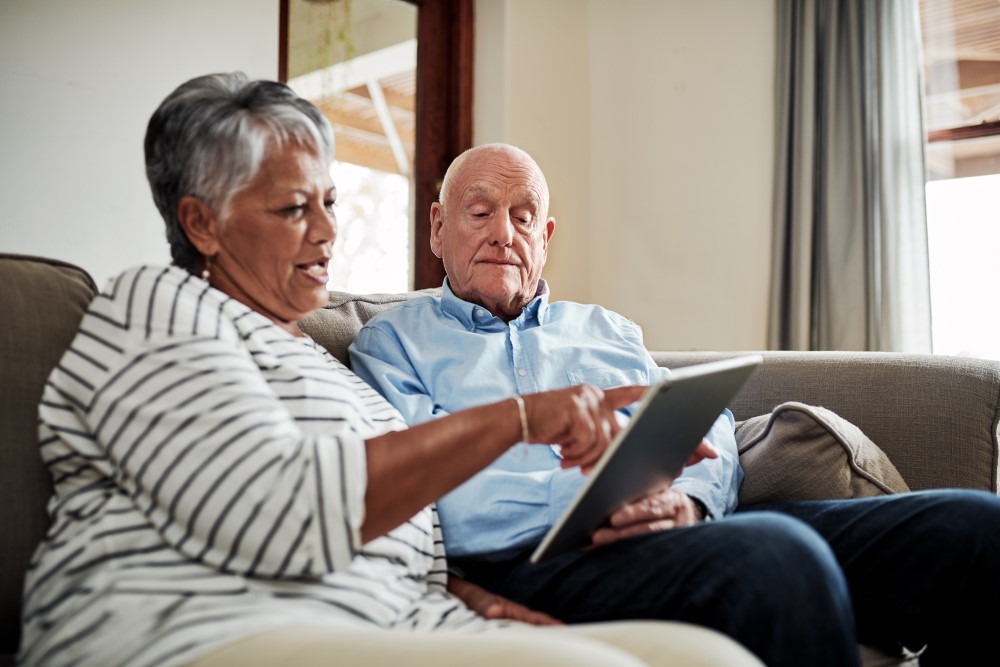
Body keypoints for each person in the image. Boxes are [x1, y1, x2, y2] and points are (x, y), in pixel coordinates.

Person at [15, 75, 764, 667]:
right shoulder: (160, 308)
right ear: (201, 223)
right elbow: (283, 515)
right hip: (194, 632)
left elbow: (409, 527)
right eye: (293, 208)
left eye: (332, 202)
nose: (331, 231)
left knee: (708, 656)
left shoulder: (327, 368)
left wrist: (456, 588)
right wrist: (524, 417)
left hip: (401, 621)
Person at [348, 142, 1000, 667]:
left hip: (684, 525)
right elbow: (430, 497)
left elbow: (705, 427)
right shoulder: (393, 343)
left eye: (522, 216)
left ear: (545, 235)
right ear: (438, 226)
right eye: (480, 211)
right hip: (534, 563)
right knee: (778, 555)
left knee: (974, 528)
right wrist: (596, 496)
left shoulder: (605, 328)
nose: (502, 233)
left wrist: (687, 499)